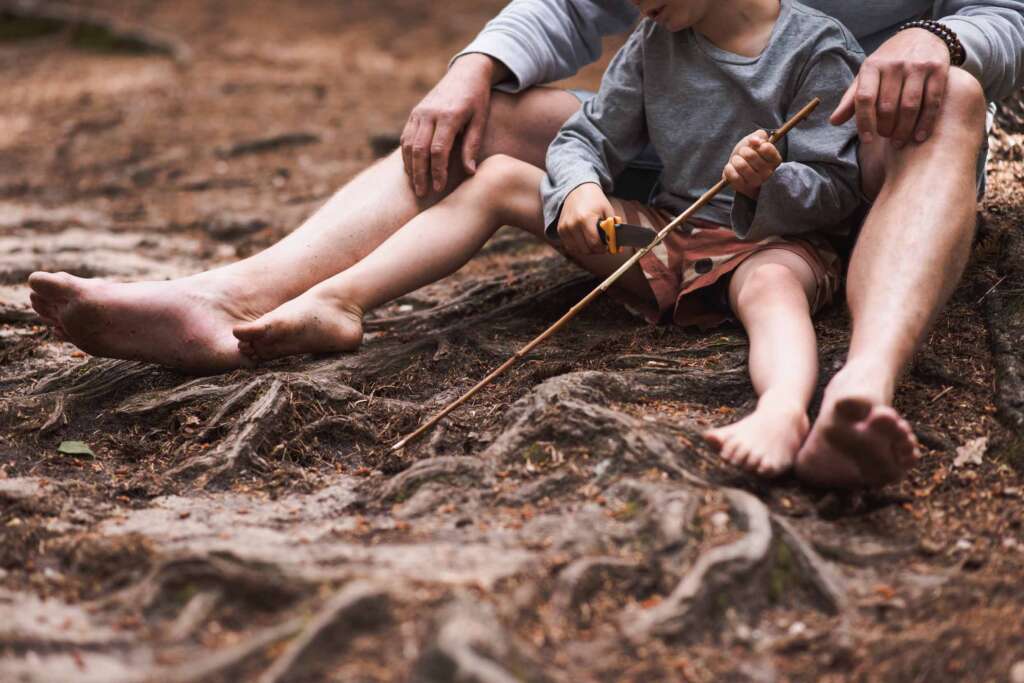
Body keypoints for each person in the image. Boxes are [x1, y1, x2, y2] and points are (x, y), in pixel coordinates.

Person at [27, 1, 1024, 488]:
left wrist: (945, 37)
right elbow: (586, 36)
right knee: (496, 131)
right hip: (673, 197)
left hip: (834, 177)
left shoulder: (811, 42)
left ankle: (850, 401)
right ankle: (252, 299)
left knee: (948, 98)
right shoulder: (659, 34)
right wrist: (482, 64)